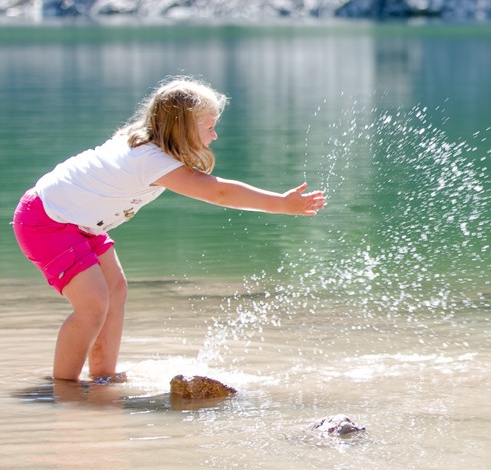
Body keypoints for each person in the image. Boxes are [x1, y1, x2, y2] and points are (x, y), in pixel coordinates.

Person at [11, 77, 328, 384]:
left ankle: (103, 376)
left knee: (115, 290)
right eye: (209, 127)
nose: (215, 135)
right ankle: (65, 388)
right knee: (93, 303)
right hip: (47, 222)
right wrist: (281, 204)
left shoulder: (148, 145)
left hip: (78, 221)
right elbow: (219, 192)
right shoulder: (151, 159)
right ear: (184, 128)